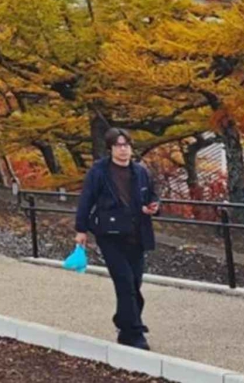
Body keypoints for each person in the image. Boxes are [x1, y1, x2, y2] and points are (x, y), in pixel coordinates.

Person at [74, 128, 162, 350]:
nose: (123, 150)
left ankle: (124, 324)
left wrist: (154, 207)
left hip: (137, 234)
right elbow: (86, 199)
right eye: (118, 145)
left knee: (135, 282)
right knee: (124, 282)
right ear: (111, 148)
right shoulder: (99, 171)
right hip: (110, 234)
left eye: (126, 145)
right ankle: (134, 331)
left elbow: (152, 195)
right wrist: (81, 229)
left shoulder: (140, 172)